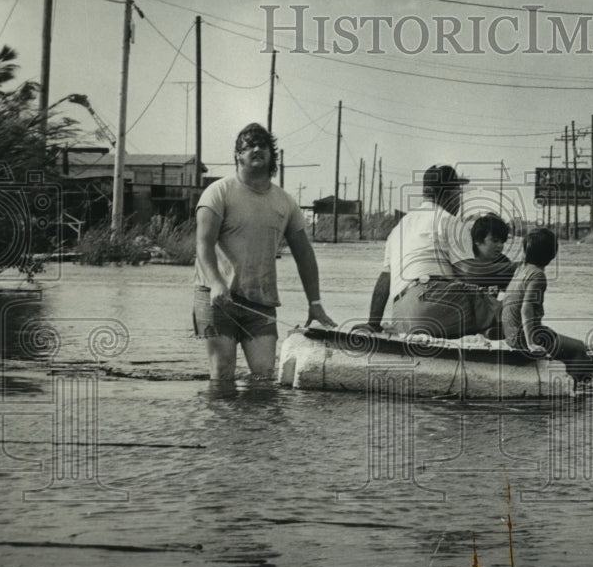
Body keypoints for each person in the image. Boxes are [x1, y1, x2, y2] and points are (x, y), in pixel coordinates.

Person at [194, 122, 335, 381]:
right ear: (238, 155)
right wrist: (215, 283)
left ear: (273, 155)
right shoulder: (218, 192)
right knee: (222, 373)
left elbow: (305, 255)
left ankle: (256, 425)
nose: (257, 149)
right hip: (216, 298)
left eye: (263, 145)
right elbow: (203, 244)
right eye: (249, 146)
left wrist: (314, 303)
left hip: (261, 301)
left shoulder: (285, 202)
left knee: (264, 377)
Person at [362, 165, 501, 338]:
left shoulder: (399, 227)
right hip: (434, 304)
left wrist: (372, 323)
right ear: (448, 194)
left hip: (401, 315)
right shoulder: (449, 221)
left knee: (476, 305)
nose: (460, 200)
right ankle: (495, 331)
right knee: (503, 312)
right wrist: (517, 273)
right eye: (458, 194)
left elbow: (384, 280)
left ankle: (483, 330)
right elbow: (471, 274)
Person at [501, 227, 593, 383]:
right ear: (552, 255)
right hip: (525, 336)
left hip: (511, 333)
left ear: (525, 251)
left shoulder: (521, 270)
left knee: (569, 349)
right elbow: (526, 309)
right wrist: (530, 343)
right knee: (578, 347)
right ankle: (576, 382)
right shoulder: (537, 275)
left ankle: (584, 367)